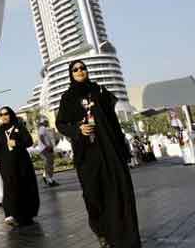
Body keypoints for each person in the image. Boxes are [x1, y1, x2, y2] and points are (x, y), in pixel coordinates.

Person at [56, 60, 141, 248]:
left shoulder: (99, 91)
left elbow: (113, 121)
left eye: (82, 68)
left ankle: (122, 236)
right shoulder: (67, 98)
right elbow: (60, 124)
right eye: (75, 69)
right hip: (86, 155)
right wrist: (77, 129)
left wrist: (122, 149)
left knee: (117, 191)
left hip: (109, 150)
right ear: (71, 73)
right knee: (93, 194)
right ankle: (101, 230)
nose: (80, 71)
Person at [0, 107, 40, 227]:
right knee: (9, 187)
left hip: (22, 165)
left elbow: (29, 142)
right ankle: (10, 214)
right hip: (6, 165)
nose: (3, 116)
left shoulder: (19, 127)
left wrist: (16, 143)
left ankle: (25, 214)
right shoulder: (0, 130)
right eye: (1, 115)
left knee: (23, 188)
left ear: (10, 114)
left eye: (6, 114)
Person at [37, 118, 59, 187]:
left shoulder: (43, 128)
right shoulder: (42, 128)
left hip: (46, 148)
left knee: (49, 164)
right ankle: (50, 180)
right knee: (49, 164)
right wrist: (46, 146)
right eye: (46, 122)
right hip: (45, 149)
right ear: (43, 122)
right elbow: (41, 137)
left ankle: (48, 178)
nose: (47, 123)